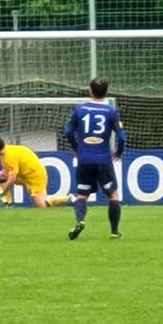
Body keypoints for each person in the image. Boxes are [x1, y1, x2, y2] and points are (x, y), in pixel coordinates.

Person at [64, 77, 126, 239]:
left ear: (90, 91)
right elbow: (122, 136)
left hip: (84, 158)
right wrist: (118, 152)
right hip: (103, 159)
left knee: (82, 195)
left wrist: (77, 148)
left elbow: (69, 131)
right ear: (106, 92)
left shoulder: (80, 109)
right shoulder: (111, 112)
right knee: (112, 195)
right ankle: (114, 231)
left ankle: (79, 220)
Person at [0, 136, 70, 208]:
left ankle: (68, 199)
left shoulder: (10, 155)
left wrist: (1, 193)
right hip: (25, 176)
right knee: (2, 175)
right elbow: (7, 172)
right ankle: (8, 203)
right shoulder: (4, 154)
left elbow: (12, 178)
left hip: (35, 176)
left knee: (41, 206)